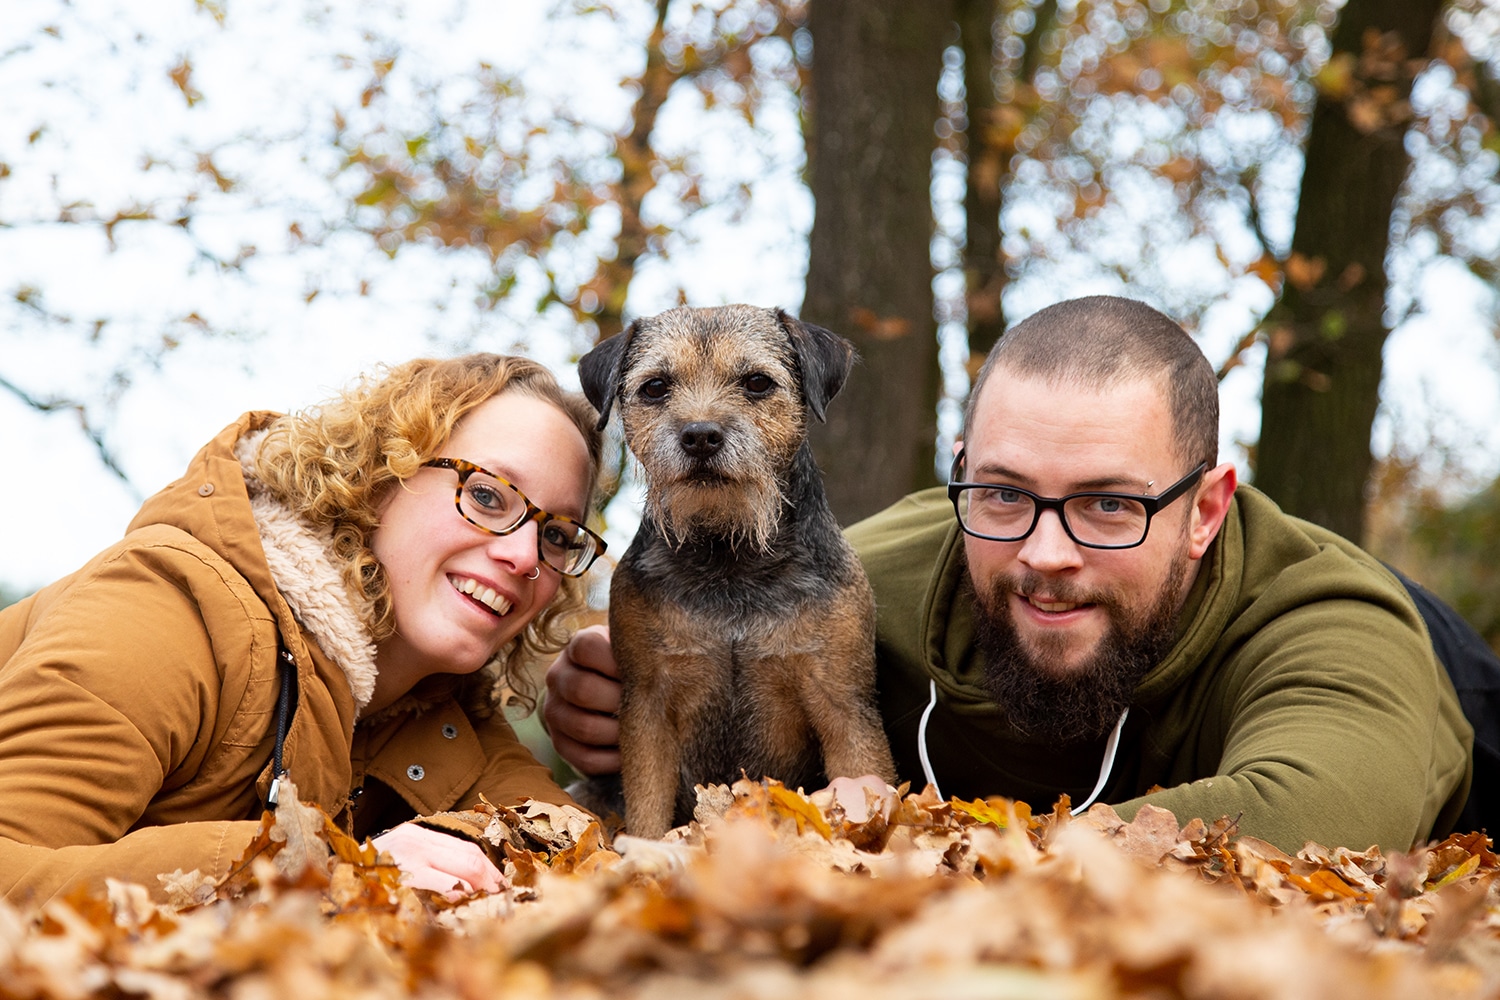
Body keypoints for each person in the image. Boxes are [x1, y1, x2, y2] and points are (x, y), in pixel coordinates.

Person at [545, 296, 1475, 852]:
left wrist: (951, 848)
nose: (1044, 553)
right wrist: (583, 699)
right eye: (1003, 493)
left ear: (1205, 509)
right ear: (959, 468)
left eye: (1111, 503)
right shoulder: (861, 578)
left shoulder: (1328, 621)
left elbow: (1320, 810)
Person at [0, 353, 608, 902]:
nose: (527, 556)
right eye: (486, 495)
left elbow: (592, 862)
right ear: (376, 479)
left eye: (557, 534)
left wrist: (648, 704)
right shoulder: (168, 613)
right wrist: (329, 868)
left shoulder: (442, 711)